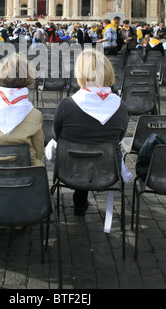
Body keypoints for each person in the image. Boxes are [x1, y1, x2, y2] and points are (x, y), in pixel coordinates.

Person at [52, 49, 128, 215]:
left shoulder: (66, 105)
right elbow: (120, 136)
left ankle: (80, 202)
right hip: (108, 169)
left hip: (70, 168)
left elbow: (57, 136)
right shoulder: (120, 106)